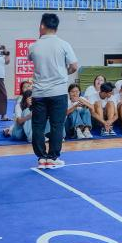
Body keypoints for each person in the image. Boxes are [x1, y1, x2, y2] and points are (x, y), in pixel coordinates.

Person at [27, 13, 79, 169]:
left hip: (39, 93)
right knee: (57, 125)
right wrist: (64, 73)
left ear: (42, 26)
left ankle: (41, 157)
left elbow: (31, 59)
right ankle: (52, 157)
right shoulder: (64, 44)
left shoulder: (33, 46)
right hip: (58, 91)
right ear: (56, 26)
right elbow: (74, 66)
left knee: (38, 126)